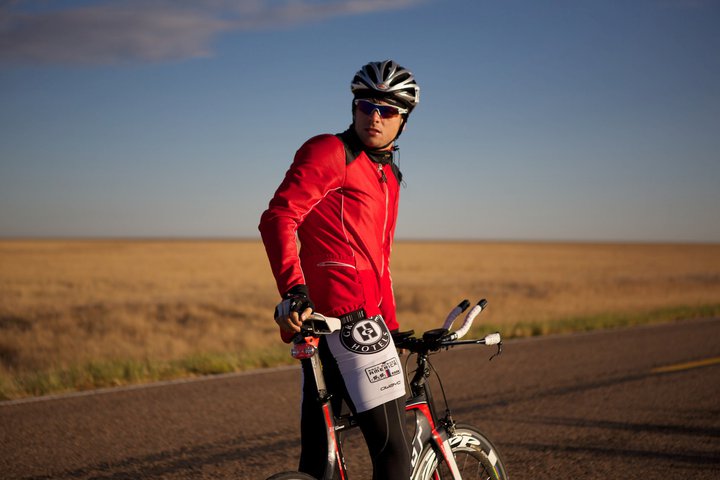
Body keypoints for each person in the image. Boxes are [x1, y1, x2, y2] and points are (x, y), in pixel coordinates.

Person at [258, 59, 419, 480]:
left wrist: (393, 326)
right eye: (366, 106)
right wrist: (295, 290)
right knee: (395, 453)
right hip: (351, 323)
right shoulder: (331, 150)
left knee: (320, 461)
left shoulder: (389, 175)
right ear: (353, 108)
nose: (374, 117)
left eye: (387, 110)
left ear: (404, 120)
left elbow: (379, 260)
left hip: (346, 325)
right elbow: (279, 217)